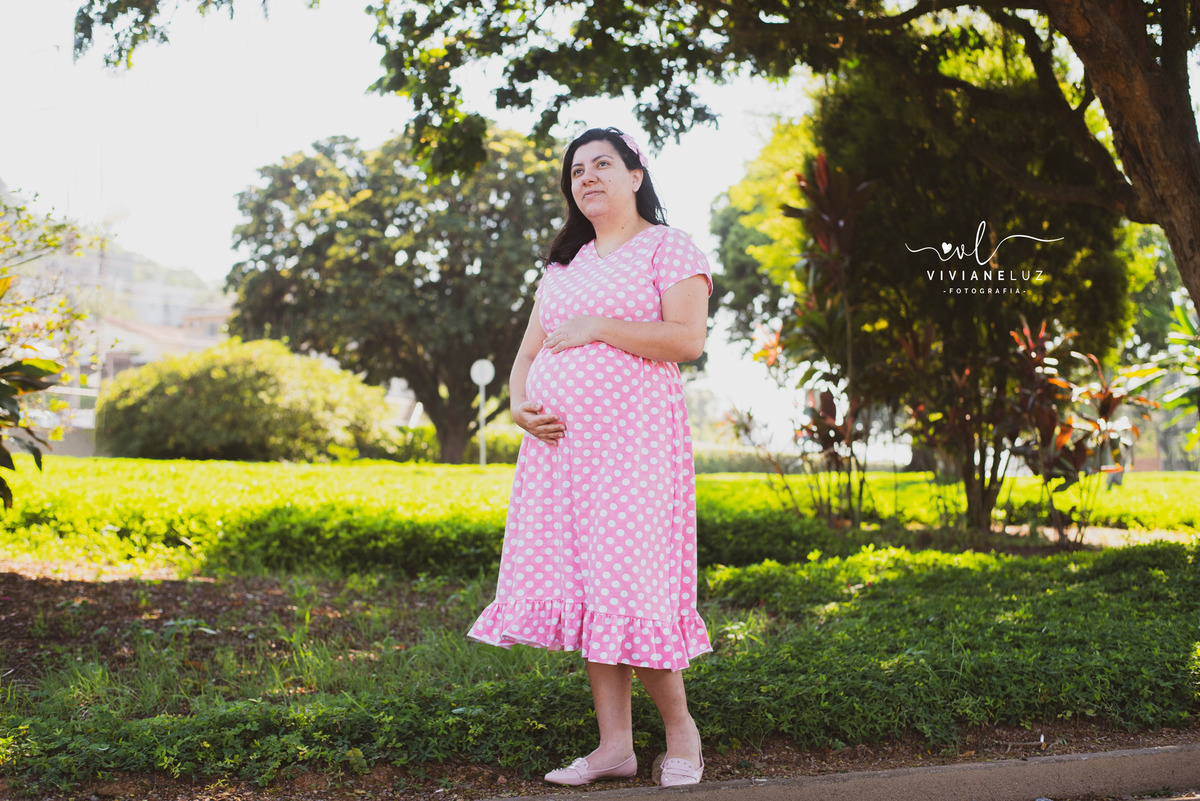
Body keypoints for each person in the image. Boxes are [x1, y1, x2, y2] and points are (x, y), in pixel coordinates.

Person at [467, 127, 713, 787]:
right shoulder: (564, 267)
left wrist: (600, 327)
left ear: (636, 174)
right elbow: (526, 357)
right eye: (577, 170)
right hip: (561, 455)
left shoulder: (667, 246)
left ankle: (681, 731)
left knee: (631, 584)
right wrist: (519, 405)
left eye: (603, 164)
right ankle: (614, 748)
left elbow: (687, 338)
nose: (588, 177)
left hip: (635, 451)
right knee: (589, 590)